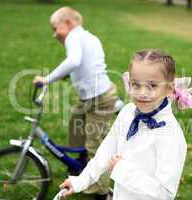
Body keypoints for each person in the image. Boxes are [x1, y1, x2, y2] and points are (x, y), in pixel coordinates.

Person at [59, 49, 192, 200]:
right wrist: (81, 181)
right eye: (136, 85)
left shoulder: (171, 136)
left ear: (168, 89)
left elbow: (164, 193)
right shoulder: (128, 112)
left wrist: (122, 170)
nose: (142, 93)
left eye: (152, 85)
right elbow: (106, 151)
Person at [33, 7, 119, 200]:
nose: (55, 35)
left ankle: (101, 192)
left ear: (69, 23)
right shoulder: (87, 37)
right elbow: (85, 64)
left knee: (96, 145)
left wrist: (48, 79)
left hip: (100, 99)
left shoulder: (73, 37)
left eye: (56, 28)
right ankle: (81, 163)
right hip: (93, 96)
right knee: (75, 125)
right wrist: (65, 76)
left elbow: (74, 61)